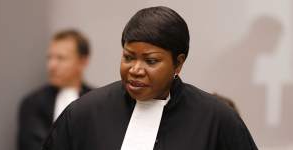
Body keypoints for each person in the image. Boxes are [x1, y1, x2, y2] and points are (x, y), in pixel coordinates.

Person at [42, 6, 258, 150]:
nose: (135, 69)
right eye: (128, 57)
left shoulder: (217, 119)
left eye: (151, 61)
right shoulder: (83, 114)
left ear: (179, 63)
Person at [17, 29, 93, 150]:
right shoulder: (33, 103)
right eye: (49, 58)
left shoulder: (97, 101)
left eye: (61, 58)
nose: (51, 65)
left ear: (82, 62)